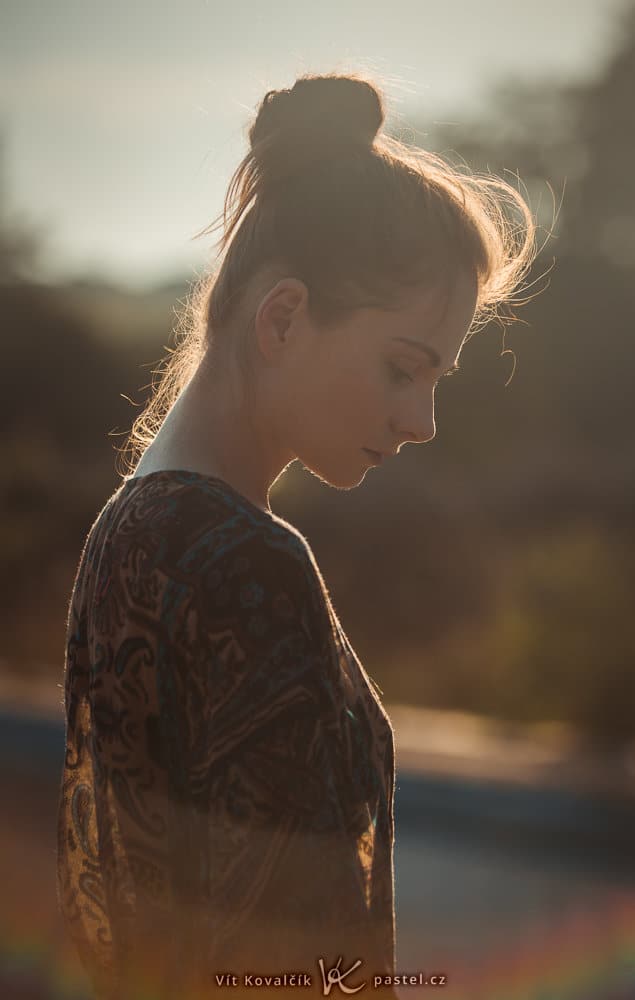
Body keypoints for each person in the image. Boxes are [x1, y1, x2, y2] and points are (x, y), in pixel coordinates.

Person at [55, 71, 537, 1000]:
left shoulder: (129, 527)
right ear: (282, 317)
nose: (424, 419)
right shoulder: (245, 563)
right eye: (404, 368)